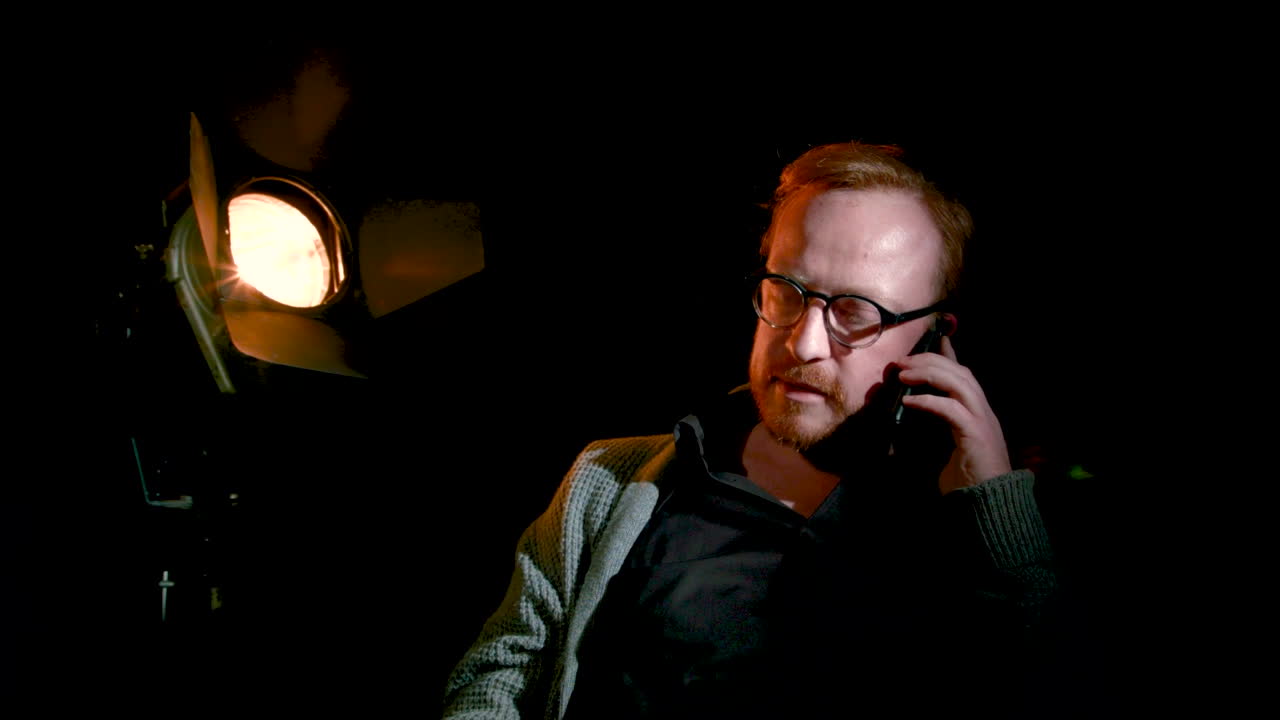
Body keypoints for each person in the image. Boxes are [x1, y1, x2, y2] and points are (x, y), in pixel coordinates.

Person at [441, 142, 1058, 719]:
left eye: (856, 311)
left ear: (933, 336)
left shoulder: (968, 531)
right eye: (787, 291)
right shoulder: (608, 481)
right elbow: (502, 678)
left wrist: (1000, 517)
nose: (803, 343)